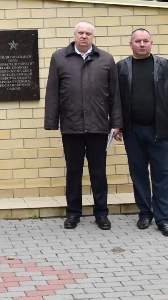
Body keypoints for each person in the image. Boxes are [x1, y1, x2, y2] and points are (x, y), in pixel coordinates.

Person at [45, 21, 122, 231]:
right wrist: (52, 122)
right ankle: (73, 213)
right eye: (80, 33)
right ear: (74, 35)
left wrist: (116, 123)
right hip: (71, 127)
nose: (84, 36)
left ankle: (101, 214)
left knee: (99, 173)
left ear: (93, 37)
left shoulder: (106, 59)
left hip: (99, 127)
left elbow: (115, 95)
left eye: (88, 33)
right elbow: (53, 91)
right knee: (73, 172)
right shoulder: (60, 58)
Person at [115, 28, 168, 237]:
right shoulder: (122, 68)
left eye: (146, 40)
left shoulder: (164, 66)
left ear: (151, 43)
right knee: (138, 175)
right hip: (132, 132)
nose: (142, 44)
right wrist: (117, 124)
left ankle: (164, 219)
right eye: (138, 41)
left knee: (162, 175)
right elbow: (115, 100)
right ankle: (145, 213)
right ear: (131, 44)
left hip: (160, 131)